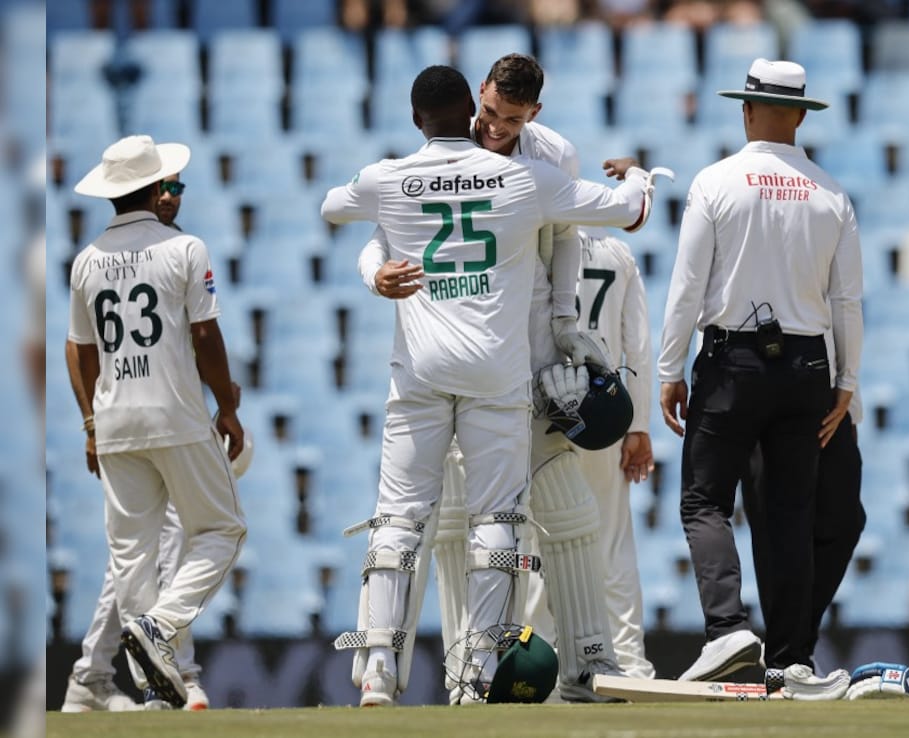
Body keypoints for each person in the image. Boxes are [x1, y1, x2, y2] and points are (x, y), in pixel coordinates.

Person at [321, 64, 659, 708]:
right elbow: (626, 211)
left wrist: (562, 322)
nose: (498, 127)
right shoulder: (527, 178)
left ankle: (383, 672)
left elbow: (340, 207)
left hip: (462, 362)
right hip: (497, 367)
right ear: (476, 97)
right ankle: (471, 675)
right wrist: (376, 273)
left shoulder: (409, 170)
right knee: (489, 522)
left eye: (513, 119)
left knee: (408, 518)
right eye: (491, 115)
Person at [657, 59, 862, 700]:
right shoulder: (831, 193)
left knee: (704, 501)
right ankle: (791, 658)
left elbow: (688, 287)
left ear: (746, 110)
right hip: (808, 367)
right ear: (801, 114)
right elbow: (846, 301)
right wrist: (846, 381)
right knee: (790, 513)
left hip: (731, 360)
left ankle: (727, 631)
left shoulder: (716, 182)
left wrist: (668, 370)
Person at [65, 135, 247, 711]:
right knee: (222, 529)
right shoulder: (184, 247)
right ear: (151, 187)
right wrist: (228, 403)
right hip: (176, 413)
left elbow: (81, 350)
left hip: (115, 422)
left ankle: (153, 686)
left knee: (132, 557)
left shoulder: (86, 259)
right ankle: (161, 627)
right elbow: (204, 333)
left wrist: (92, 423)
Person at [741, 365, 865, 676]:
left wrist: (852, 405)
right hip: (756, 390)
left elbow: (843, 318)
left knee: (846, 521)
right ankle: (787, 658)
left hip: (824, 393)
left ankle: (794, 648)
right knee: (774, 527)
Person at [573, 227, 656, 679]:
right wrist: (637, 424)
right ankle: (629, 662)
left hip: (538, 411)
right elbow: (637, 344)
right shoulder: (616, 252)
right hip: (603, 410)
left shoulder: (530, 236)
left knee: (531, 542)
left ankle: (541, 663)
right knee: (612, 542)